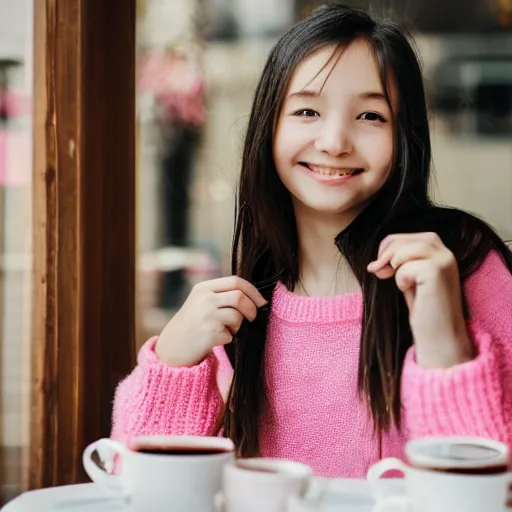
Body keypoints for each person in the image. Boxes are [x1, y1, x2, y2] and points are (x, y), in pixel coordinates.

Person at [111, 3, 512, 478]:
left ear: (405, 137)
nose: (335, 141)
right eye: (307, 110)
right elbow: (135, 488)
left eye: (370, 115)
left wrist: (448, 347)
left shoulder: (459, 262)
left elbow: (492, 491)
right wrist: (174, 364)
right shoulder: (241, 311)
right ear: (269, 128)